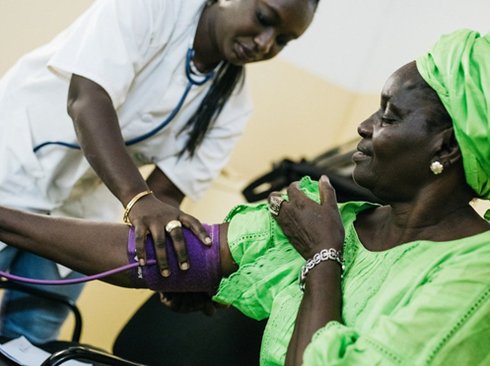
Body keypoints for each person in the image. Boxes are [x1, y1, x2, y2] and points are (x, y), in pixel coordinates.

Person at [0, 28, 489, 365]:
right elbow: (153, 253)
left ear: (445, 146)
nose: (364, 126)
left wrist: (323, 257)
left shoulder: (475, 274)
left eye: (388, 115)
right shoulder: (333, 220)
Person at [0, 0, 319, 343]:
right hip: (13, 161)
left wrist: (177, 272)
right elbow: (86, 100)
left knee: (29, 336)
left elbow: (164, 196)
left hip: (85, 206)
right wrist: (138, 199)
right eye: (263, 19)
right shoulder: (150, 8)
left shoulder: (234, 108)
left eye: (283, 40)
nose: (265, 43)